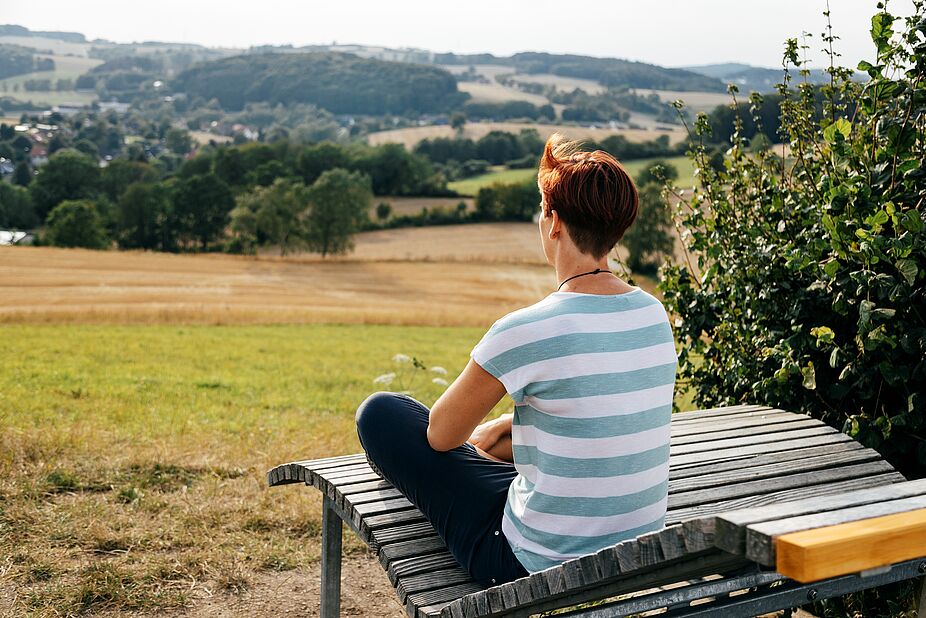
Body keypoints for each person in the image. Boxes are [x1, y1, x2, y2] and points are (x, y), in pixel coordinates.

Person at [355, 133, 678, 586]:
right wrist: (507, 428)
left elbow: (443, 435)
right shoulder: (652, 314)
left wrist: (485, 435)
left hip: (530, 563)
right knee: (497, 443)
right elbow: (590, 415)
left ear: (555, 222)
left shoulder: (527, 328)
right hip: (635, 547)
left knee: (381, 413)